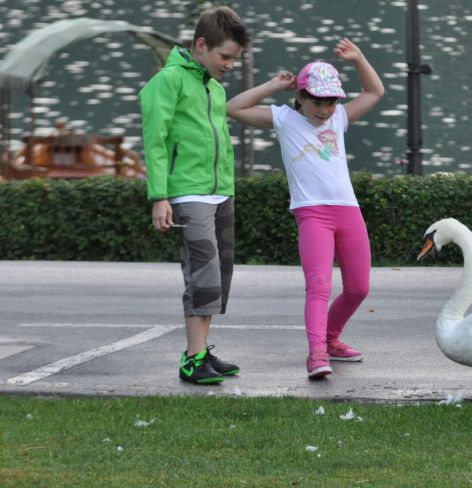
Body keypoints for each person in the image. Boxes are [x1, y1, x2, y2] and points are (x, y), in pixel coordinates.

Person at [227, 37, 385, 379]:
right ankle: (316, 355)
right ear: (300, 96)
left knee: (359, 288)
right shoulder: (283, 118)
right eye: (317, 101)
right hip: (312, 213)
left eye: (330, 101)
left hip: (348, 211)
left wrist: (358, 58)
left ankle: (330, 339)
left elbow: (374, 93)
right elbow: (234, 107)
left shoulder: (339, 118)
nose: (324, 109)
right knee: (319, 286)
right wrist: (272, 85)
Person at [139, 6, 249, 385]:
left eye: (235, 59)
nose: (230, 65)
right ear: (201, 45)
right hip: (188, 192)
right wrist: (160, 196)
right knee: (201, 276)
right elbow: (155, 142)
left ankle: (200, 352)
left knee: (218, 278)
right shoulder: (167, 82)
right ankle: (192, 359)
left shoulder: (213, 87)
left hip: (220, 192)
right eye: (226, 57)